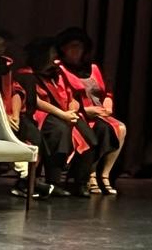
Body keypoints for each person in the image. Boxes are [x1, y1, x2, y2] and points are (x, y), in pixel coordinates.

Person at [16, 37, 98, 197]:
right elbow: (36, 101)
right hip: (44, 114)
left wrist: (72, 107)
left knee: (90, 139)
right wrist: (63, 114)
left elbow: (72, 93)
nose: (56, 55)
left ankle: (80, 183)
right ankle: (54, 182)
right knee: (59, 132)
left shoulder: (59, 72)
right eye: (52, 52)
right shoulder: (27, 74)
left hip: (66, 112)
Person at [57, 27, 126, 195]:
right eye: (72, 46)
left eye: (79, 46)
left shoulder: (93, 68)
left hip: (99, 112)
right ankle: (91, 174)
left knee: (120, 128)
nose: (76, 50)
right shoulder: (60, 68)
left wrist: (108, 105)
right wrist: (86, 110)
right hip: (80, 113)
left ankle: (105, 174)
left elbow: (107, 91)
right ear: (63, 49)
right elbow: (62, 96)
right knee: (99, 130)